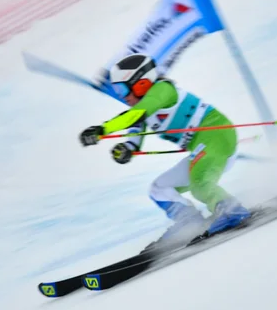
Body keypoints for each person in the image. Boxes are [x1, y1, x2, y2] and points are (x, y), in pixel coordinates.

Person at [78, 54, 251, 248]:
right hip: (201, 149)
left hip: (217, 137)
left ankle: (231, 210)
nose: (122, 95)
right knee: (159, 189)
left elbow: (135, 116)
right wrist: (127, 148)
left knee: (199, 184)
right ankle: (189, 221)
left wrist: (102, 130)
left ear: (141, 83)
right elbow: (135, 130)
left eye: (122, 88)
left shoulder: (162, 90)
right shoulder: (144, 108)